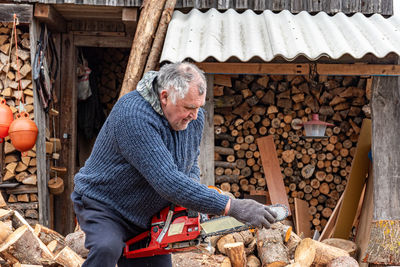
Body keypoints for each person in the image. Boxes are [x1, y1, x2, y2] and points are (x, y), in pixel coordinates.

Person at [71, 62, 277, 267]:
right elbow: (168, 181)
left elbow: (190, 164)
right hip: (105, 205)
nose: (195, 115)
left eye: (198, 107)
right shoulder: (133, 115)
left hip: (148, 214)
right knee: (107, 247)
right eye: (189, 107)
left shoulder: (194, 118)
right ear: (164, 96)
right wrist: (231, 206)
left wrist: (193, 202)